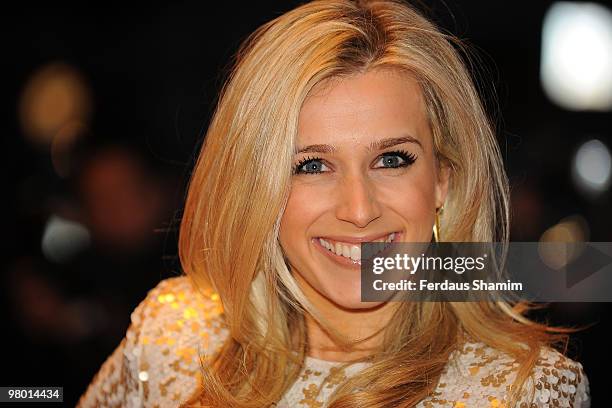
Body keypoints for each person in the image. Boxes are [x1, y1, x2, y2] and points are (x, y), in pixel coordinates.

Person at [78, 0, 591, 406]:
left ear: (443, 180)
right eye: (312, 166)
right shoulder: (174, 336)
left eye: (392, 159)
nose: (359, 208)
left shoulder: (525, 390)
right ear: (256, 188)